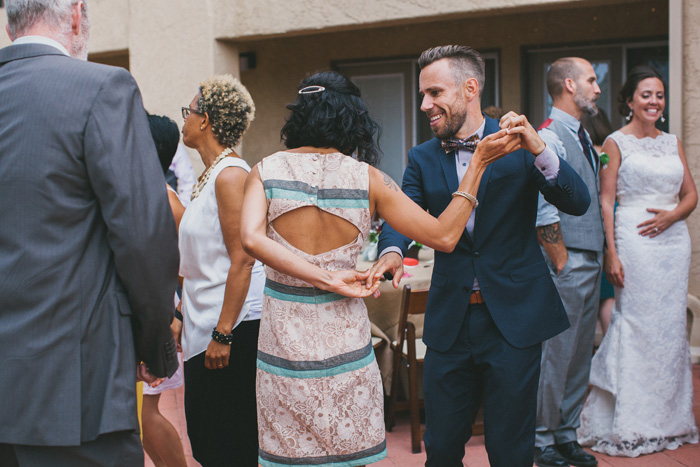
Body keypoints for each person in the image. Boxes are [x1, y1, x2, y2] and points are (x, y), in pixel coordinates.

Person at [240, 70, 524, 467]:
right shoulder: (368, 179)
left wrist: (319, 277)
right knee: (350, 454)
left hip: (283, 338)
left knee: (287, 456)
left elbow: (251, 240)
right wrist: (475, 166)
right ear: (353, 120)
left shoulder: (265, 171)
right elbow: (444, 235)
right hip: (346, 341)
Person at [373, 44, 591, 467]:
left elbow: (578, 202)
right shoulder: (421, 158)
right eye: (423, 95)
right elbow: (401, 217)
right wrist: (394, 251)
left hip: (515, 321)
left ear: (469, 88)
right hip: (450, 323)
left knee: (511, 451)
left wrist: (541, 151)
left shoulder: (520, 144)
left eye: (434, 93)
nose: (424, 105)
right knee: (441, 449)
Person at [0, 1, 179, 465]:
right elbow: (143, 235)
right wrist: (156, 344)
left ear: (8, 23)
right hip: (75, 388)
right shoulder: (101, 87)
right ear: (76, 15)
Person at [578, 65, 699, 457]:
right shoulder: (615, 142)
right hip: (634, 243)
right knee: (635, 325)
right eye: (646, 94)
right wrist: (611, 251)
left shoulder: (673, 142)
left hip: (673, 245)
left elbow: (691, 195)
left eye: (659, 95)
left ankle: (669, 419)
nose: (654, 101)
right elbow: (606, 200)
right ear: (629, 100)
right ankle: (630, 418)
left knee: (669, 330)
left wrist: (672, 216)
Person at [176, 74, 265, 467]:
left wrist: (223, 333)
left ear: (205, 120)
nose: (184, 119)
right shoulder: (209, 177)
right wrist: (181, 314)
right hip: (204, 325)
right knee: (207, 441)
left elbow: (242, 257)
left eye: (188, 111)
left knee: (227, 444)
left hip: (230, 330)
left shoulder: (230, 176)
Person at [534, 57, 604, 467]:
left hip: (590, 258)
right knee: (557, 353)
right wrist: (561, 260)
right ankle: (541, 439)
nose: (596, 89)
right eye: (591, 81)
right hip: (569, 261)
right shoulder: (550, 135)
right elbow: (545, 205)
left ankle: (566, 433)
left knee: (580, 353)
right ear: (568, 85)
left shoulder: (581, 134)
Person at [142, 114, 188, 467]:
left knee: (147, 413)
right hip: (147, 311)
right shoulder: (145, 193)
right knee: (141, 416)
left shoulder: (167, 203)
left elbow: (188, 268)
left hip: (158, 314)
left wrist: (176, 317)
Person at [581, 108, 615, 336]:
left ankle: (598, 351)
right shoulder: (610, 150)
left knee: (597, 294)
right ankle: (606, 346)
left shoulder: (588, 151)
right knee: (608, 294)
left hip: (592, 221)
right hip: (613, 218)